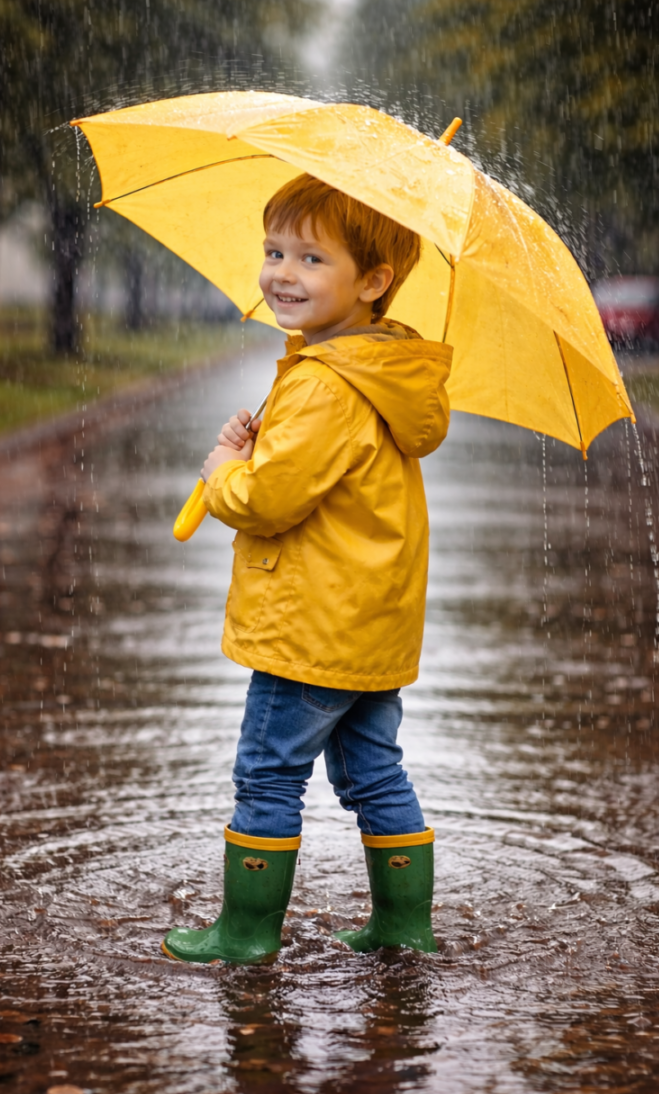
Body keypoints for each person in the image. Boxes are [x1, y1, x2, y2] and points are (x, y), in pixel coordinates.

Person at [162, 174, 452, 964]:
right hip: (366, 625)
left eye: (311, 257)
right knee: (372, 773)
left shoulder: (326, 383)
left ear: (374, 281)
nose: (282, 272)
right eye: (274, 250)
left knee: (266, 773)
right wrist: (263, 441)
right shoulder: (374, 372)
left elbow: (269, 501)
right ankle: (403, 926)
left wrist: (227, 469)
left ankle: (246, 935)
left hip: (310, 627)